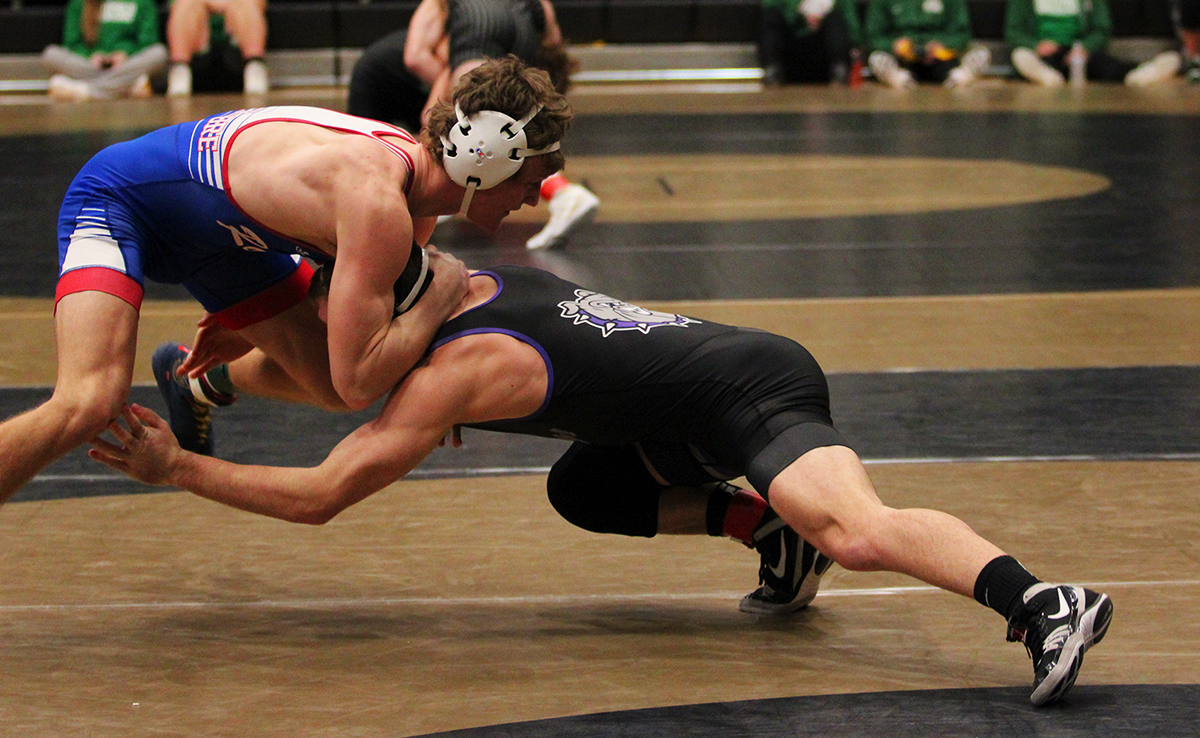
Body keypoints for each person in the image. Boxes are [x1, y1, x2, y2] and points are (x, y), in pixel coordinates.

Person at [94, 263, 1111, 708]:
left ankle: (1038, 602)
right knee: (585, 489)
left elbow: (322, 495)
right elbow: (332, 362)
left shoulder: (453, 371)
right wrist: (217, 373)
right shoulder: (459, 285)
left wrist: (178, 467)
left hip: (742, 387)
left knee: (855, 529)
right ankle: (766, 532)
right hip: (673, 410)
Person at [0, 56, 571, 504]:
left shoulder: (411, 206)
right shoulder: (378, 202)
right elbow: (363, 376)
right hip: (125, 201)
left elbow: (344, 311)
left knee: (325, 380)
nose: (532, 197)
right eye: (533, 179)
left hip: (228, 238)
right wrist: (439, 299)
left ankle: (194, 377)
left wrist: (416, 380)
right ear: (486, 157)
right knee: (90, 401)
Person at [347, 0, 599, 250]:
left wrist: (469, 98)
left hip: (475, 30)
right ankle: (558, 192)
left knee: (440, 123)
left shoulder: (444, 9)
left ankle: (562, 193)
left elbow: (416, 57)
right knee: (511, 134)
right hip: (523, 29)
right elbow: (553, 41)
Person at [1005, 0, 1180, 86]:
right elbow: (1013, 31)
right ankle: (1044, 76)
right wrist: (1036, 45)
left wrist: (1086, 48)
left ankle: (1142, 74)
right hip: (1045, 52)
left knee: (1106, 66)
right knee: (1022, 57)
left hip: (1079, 52)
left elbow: (1102, 29)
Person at [40, 0, 168, 101]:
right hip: (91, 65)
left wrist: (126, 54)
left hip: (127, 64)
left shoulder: (143, 2)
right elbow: (72, 43)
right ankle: (126, 87)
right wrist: (91, 55)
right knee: (50, 54)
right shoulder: (78, 3)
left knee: (159, 53)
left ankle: (85, 91)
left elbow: (148, 42)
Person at [863, 0, 990, 87]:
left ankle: (957, 79)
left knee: (982, 54)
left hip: (942, 60)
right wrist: (893, 45)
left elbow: (962, 34)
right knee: (877, 58)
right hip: (903, 62)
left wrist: (943, 45)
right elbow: (873, 36)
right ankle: (899, 81)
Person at [165, 0, 270, 96]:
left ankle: (255, 66)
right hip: (198, 48)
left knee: (246, 3)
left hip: (236, 50)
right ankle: (179, 71)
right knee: (185, 4)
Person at [758, 0, 865, 86]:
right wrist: (801, 11)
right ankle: (772, 73)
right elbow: (769, 5)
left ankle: (839, 74)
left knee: (835, 20)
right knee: (771, 17)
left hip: (825, 56)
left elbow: (852, 26)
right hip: (791, 53)